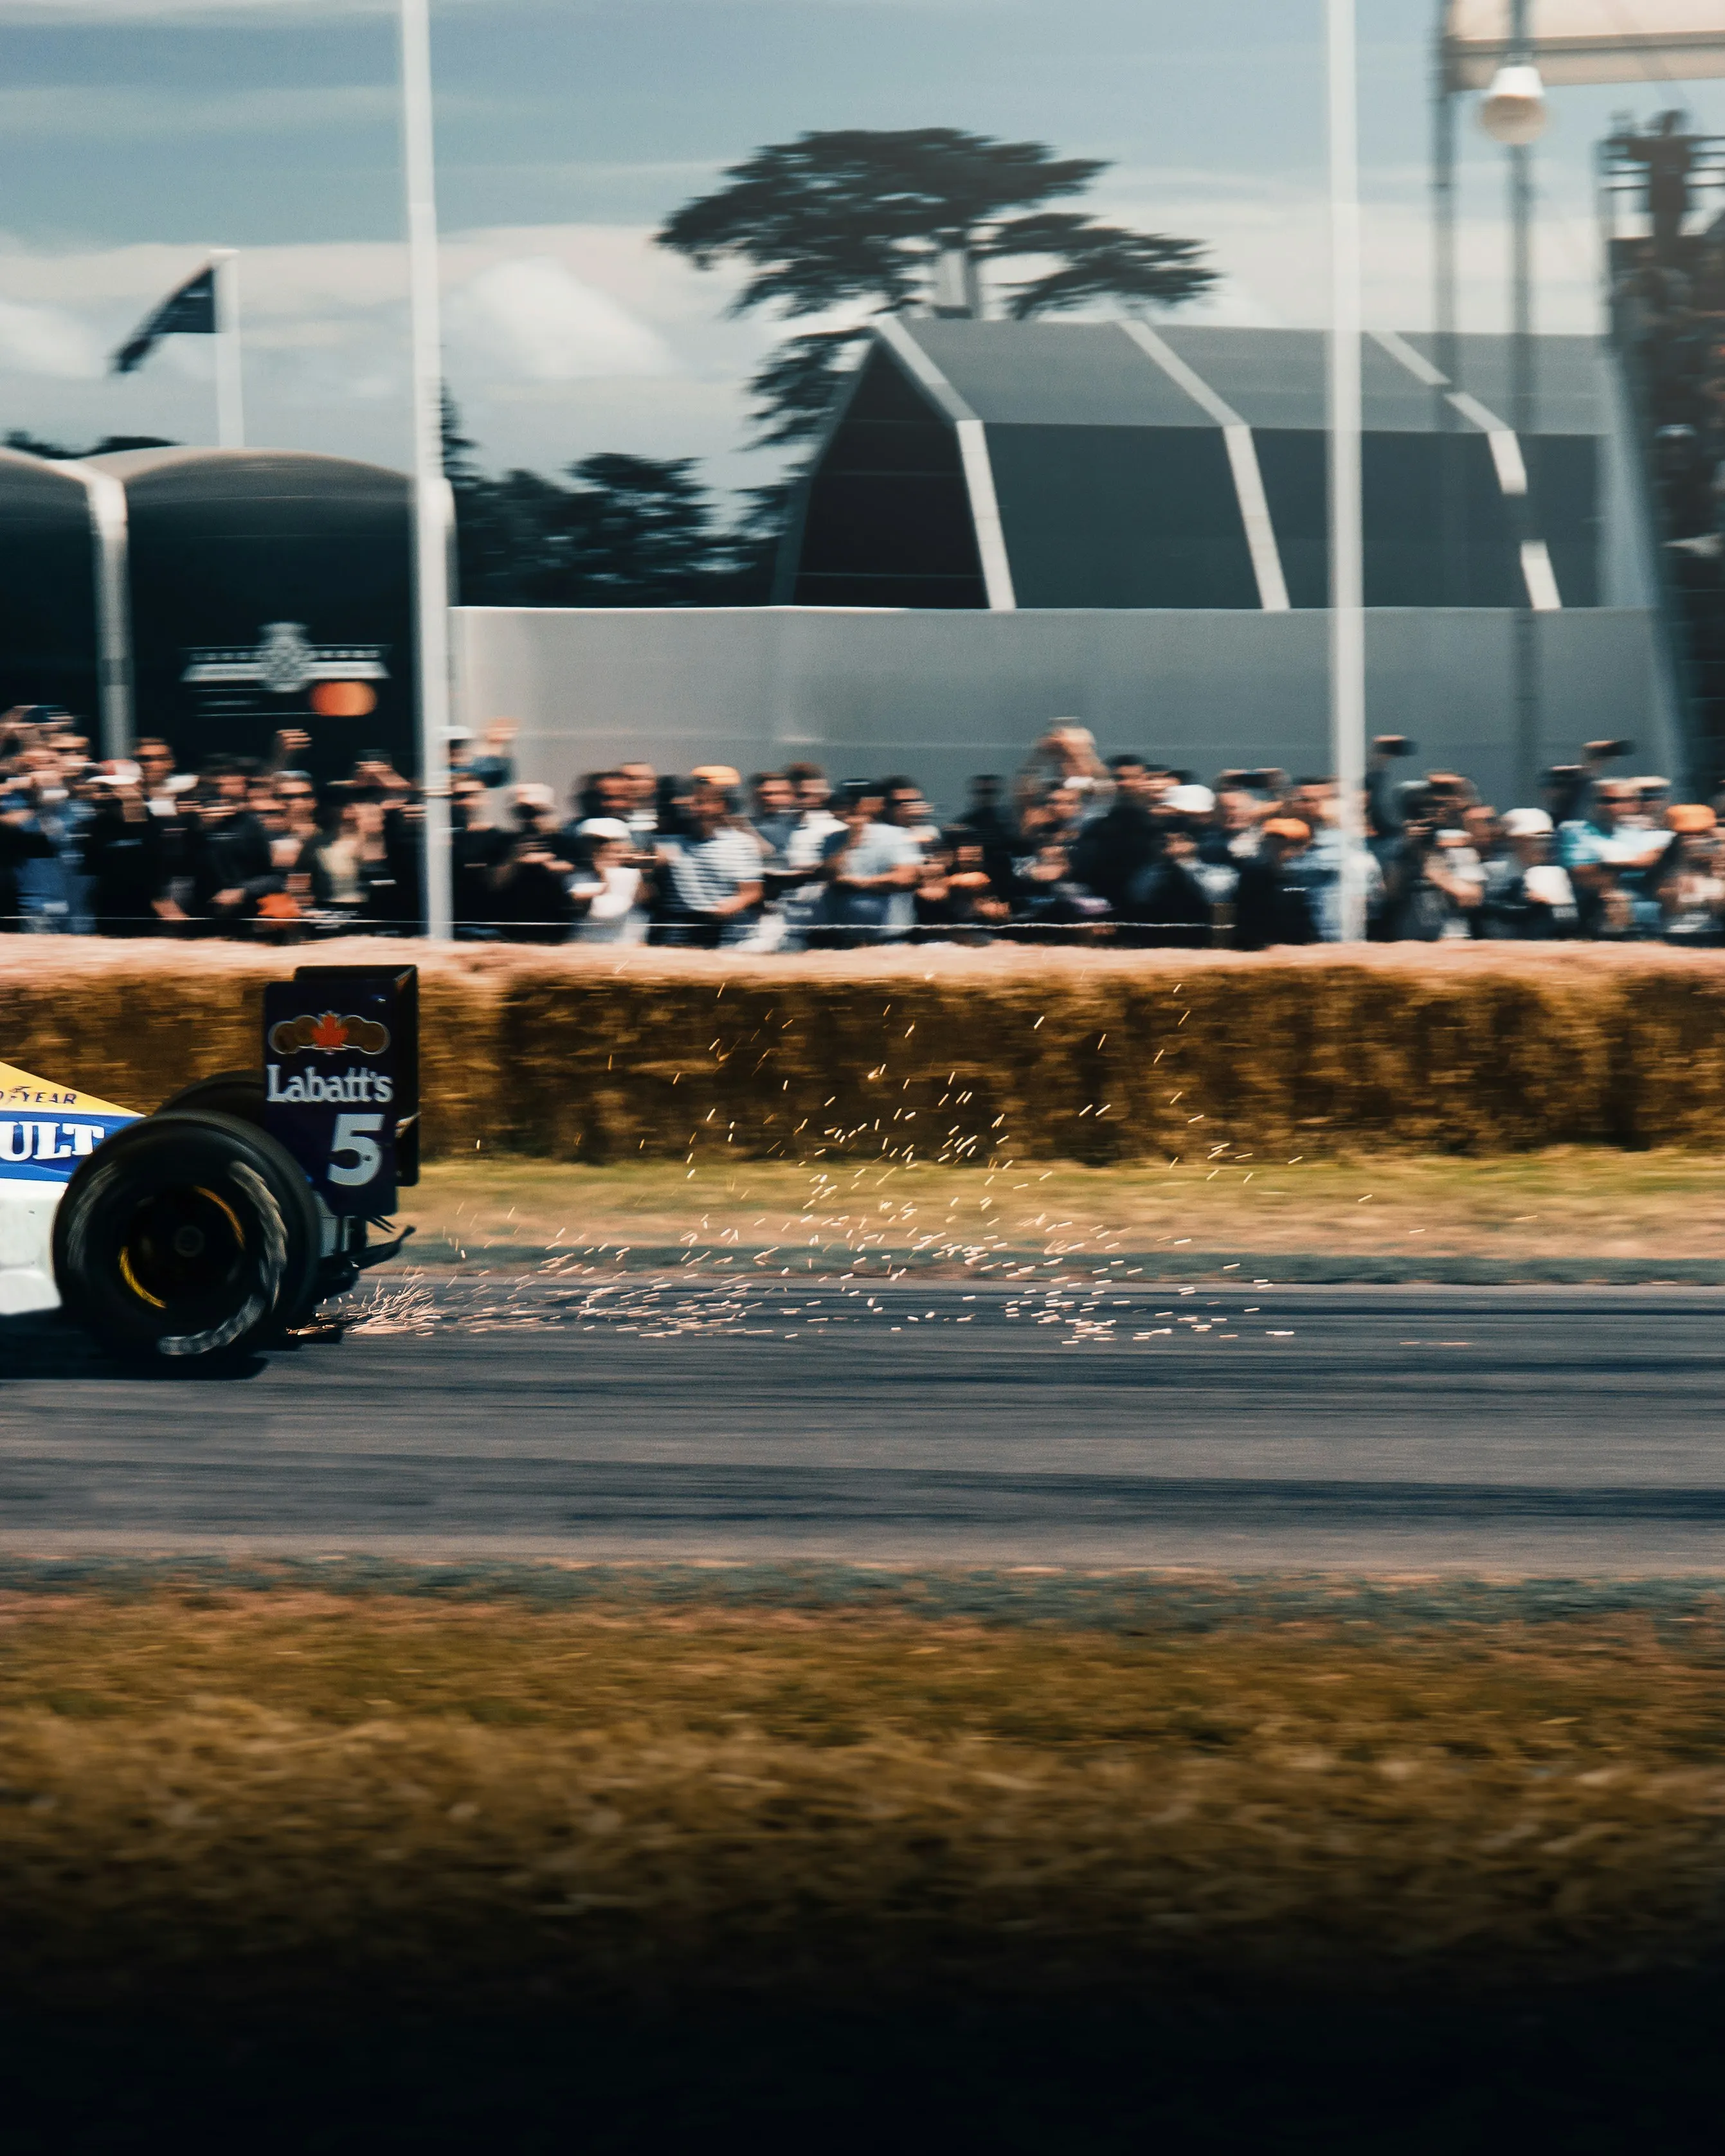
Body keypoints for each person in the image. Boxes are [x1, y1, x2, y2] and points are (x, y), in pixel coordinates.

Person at [655, 772, 763, 947]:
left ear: (721, 806)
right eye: (692, 803)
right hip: (679, 932)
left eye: (704, 802)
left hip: (727, 932)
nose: (697, 809)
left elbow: (752, 892)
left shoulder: (741, 843)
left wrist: (733, 904)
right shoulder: (667, 843)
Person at [820, 780, 923, 945]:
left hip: (891, 939)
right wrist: (849, 844)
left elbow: (906, 878)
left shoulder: (897, 836)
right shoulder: (831, 840)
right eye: (848, 803)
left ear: (875, 804)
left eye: (858, 802)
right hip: (846, 941)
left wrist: (858, 883)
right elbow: (828, 876)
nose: (853, 808)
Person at [1477, 808, 1578, 939]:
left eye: (1547, 839)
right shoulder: (1493, 870)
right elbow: (1485, 916)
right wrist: (1517, 903)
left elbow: (1569, 920)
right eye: (1535, 839)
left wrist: (1548, 907)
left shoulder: (1555, 873)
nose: (1543, 845)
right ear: (1513, 841)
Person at [1656, 804, 1725, 945]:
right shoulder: (1667, 868)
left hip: (1716, 935)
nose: (1693, 840)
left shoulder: (1718, 864)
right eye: (1686, 835)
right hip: (1678, 936)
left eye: (1700, 834)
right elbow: (1670, 904)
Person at [570, 817, 646, 944]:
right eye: (593, 843)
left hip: (626, 944)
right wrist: (603, 875)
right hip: (587, 945)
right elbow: (582, 904)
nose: (599, 848)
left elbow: (641, 902)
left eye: (603, 843)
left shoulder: (633, 875)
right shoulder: (577, 877)